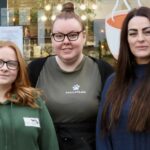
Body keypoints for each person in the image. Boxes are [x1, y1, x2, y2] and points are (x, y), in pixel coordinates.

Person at [28, 2, 114, 150]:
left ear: (84, 36)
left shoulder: (103, 70)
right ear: (52, 38)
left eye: (73, 35)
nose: (66, 41)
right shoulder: (35, 70)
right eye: (59, 36)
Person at [96, 6, 150, 150]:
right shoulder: (113, 82)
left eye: (147, 32)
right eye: (133, 33)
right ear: (126, 40)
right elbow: (103, 134)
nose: (140, 39)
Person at [0, 41, 59, 150]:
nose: (4, 68)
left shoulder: (33, 100)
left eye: (11, 64)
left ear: (19, 69)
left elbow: (50, 144)